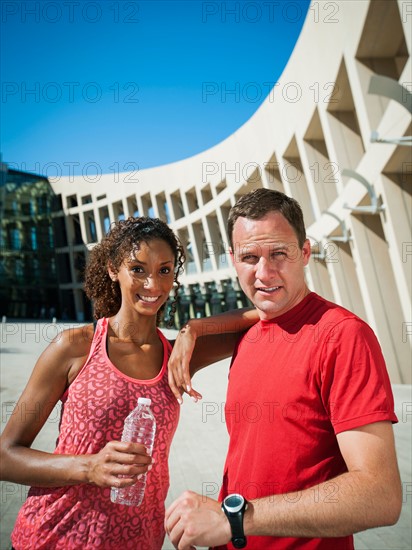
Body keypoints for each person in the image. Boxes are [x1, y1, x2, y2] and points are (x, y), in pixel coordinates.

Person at [0, 216, 258, 550]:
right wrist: (88, 467)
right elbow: (6, 456)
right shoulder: (75, 347)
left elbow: (260, 315)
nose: (153, 284)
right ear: (112, 269)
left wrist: (193, 328)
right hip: (55, 536)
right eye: (138, 269)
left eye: (164, 270)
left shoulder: (177, 356)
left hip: (140, 541)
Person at [165, 189, 402, 550]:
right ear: (233, 260)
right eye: (249, 257)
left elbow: (380, 494)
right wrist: (193, 328)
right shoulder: (245, 336)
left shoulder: (343, 337)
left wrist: (236, 518)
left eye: (279, 253)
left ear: (305, 253)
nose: (264, 272)